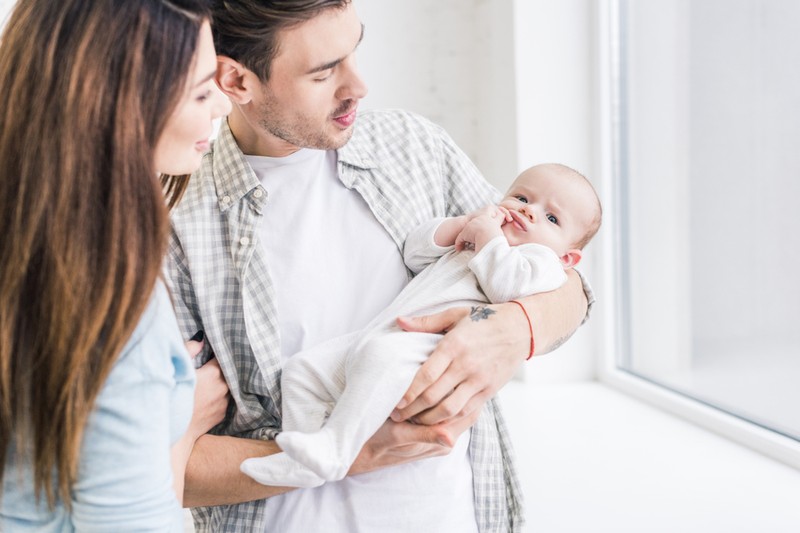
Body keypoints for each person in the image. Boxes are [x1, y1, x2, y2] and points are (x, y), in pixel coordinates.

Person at [166, 1, 593, 531]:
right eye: (324, 72)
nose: (358, 87)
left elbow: (568, 284)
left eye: (354, 52)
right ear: (236, 80)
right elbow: (163, 465)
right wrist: (355, 451)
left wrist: (515, 330)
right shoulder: (177, 221)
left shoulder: (415, 147)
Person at [0, 0, 231, 530]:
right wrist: (182, 430)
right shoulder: (109, 303)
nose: (220, 103)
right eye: (200, 91)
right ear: (123, 108)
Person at [240, 163, 602, 488]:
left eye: (551, 218)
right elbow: (414, 254)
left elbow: (506, 286)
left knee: (378, 354)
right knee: (302, 370)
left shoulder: (540, 262)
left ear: (568, 256)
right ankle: (305, 453)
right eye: (522, 196)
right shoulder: (477, 236)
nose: (528, 210)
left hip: (434, 347)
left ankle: (336, 448)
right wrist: (460, 227)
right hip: (390, 332)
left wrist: (489, 237)